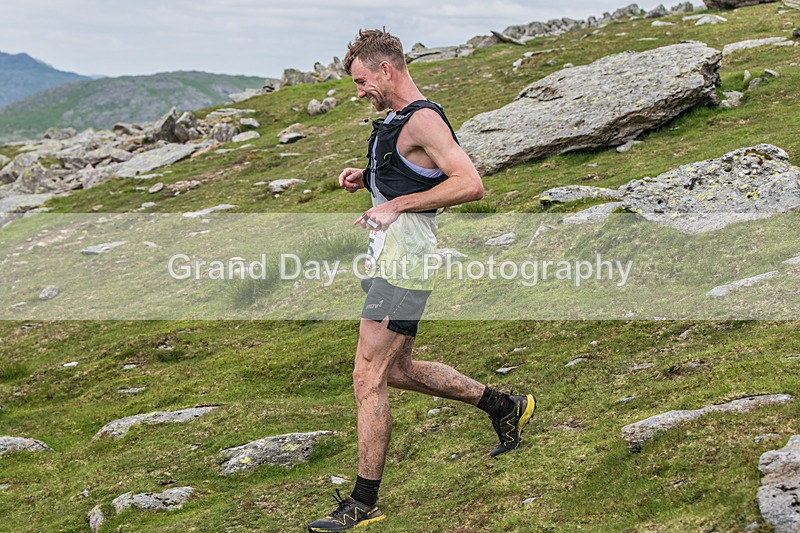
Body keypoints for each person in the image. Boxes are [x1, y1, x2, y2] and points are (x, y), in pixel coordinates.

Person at [308, 29, 536, 533]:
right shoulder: (393, 121)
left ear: (386, 69)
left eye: (362, 80)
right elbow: (414, 176)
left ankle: (362, 505)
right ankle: (506, 406)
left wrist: (394, 204)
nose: (360, 90)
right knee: (396, 369)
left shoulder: (424, 119)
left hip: (406, 262)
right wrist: (368, 181)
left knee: (367, 377)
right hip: (387, 257)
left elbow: (470, 183)